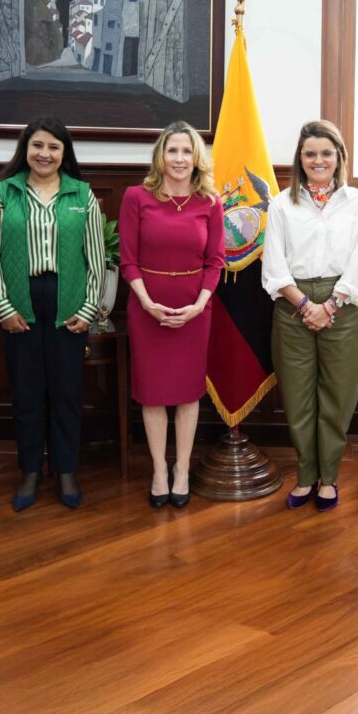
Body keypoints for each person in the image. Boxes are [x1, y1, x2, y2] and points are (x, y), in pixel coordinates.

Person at [0, 116, 105, 511]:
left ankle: (66, 469)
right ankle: (31, 469)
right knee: (27, 390)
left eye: (53, 146)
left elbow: (96, 259)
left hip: (68, 302)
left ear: (64, 153)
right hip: (20, 301)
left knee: (67, 390)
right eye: (37, 145)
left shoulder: (82, 194)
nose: (44, 153)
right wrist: (2, 307)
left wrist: (88, 308)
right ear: (26, 148)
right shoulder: (6, 193)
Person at [262, 120, 358, 512]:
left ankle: (329, 478)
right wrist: (306, 306)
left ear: (339, 156)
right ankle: (306, 475)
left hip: (343, 308)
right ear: (300, 158)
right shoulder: (281, 204)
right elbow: (274, 267)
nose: (318, 160)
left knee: (338, 398)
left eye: (326, 153)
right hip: (293, 307)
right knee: (297, 398)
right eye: (310, 153)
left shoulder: (357, 203)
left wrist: (330, 306)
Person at [119, 121, 224, 509]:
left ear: (197, 159)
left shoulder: (210, 202)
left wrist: (199, 305)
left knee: (187, 394)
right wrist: (147, 303)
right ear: (160, 156)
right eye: (172, 150)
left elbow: (215, 261)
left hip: (195, 311)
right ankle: (159, 471)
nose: (179, 158)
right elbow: (128, 260)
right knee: (152, 394)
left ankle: (182, 470)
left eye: (186, 151)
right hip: (146, 309)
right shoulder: (136, 197)